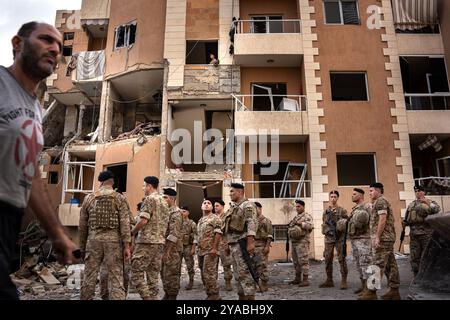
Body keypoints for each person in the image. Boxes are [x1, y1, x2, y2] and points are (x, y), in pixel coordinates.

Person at [0, 21, 78, 300]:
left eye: (59, 45)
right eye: (46, 40)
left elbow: (31, 174)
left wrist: (56, 232)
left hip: (9, 221)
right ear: (17, 43)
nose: (55, 49)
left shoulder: (34, 107)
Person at [79, 171, 132, 300]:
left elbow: (82, 225)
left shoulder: (89, 198)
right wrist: (127, 245)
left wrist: (82, 247)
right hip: (113, 243)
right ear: (112, 181)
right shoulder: (120, 198)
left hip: (93, 241)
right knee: (116, 278)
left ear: (101, 182)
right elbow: (125, 223)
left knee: (89, 276)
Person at [130, 177, 169, 300]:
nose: (143, 189)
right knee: (153, 275)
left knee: (136, 273)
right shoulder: (164, 201)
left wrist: (132, 232)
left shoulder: (149, 199)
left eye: (143, 186)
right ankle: (153, 297)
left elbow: (143, 220)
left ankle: (148, 298)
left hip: (147, 242)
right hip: (159, 242)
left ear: (149, 186)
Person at [360, 182, 401, 300]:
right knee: (390, 264)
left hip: (383, 238)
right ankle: (394, 290)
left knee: (376, 264)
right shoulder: (378, 202)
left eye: (371, 191)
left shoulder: (381, 201)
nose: (370, 193)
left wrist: (377, 237)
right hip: (387, 238)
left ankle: (371, 292)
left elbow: (382, 219)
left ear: (378, 191)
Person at [222, 183, 258, 300]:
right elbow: (229, 227)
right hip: (233, 244)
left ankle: (250, 297)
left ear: (239, 192)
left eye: (232, 191)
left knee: (245, 273)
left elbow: (251, 222)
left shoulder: (247, 205)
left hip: (242, 243)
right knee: (237, 274)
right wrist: (227, 243)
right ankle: (241, 297)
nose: (230, 194)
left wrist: (250, 242)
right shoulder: (233, 207)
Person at [404, 185, 440, 277]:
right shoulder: (412, 204)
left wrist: (427, 202)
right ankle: (416, 276)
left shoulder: (430, 202)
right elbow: (407, 218)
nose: (417, 193)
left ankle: (428, 276)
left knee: (427, 256)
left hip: (426, 234)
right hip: (414, 234)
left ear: (424, 192)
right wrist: (405, 223)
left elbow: (437, 210)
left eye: (419, 191)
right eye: (416, 191)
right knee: (415, 256)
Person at [345, 188, 372, 297]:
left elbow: (372, 221)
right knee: (359, 265)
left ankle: (370, 290)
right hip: (355, 240)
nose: (352, 196)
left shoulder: (367, 207)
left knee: (367, 264)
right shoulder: (355, 209)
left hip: (364, 240)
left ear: (360, 196)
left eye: (354, 194)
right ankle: (364, 286)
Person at [319, 190, 348, 289]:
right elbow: (324, 223)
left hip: (339, 238)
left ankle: (344, 280)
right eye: (331, 196)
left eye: (335, 196)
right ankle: (329, 280)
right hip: (328, 238)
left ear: (338, 198)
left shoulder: (342, 210)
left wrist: (340, 228)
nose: (333, 198)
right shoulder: (326, 211)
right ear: (329, 198)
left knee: (341, 258)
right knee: (327, 258)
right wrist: (327, 230)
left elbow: (346, 223)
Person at [196, 199, 223, 300]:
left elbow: (218, 233)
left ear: (212, 207)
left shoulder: (215, 218)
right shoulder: (201, 220)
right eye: (204, 203)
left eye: (209, 203)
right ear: (201, 207)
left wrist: (214, 248)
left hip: (210, 250)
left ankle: (214, 295)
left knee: (209, 273)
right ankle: (210, 294)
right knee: (204, 274)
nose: (206, 205)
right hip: (201, 251)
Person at [161, 188, 183, 300]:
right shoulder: (164, 212)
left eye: (165, 197)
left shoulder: (176, 213)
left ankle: (172, 296)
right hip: (163, 248)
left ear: (172, 199)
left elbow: (173, 234)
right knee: (164, 273)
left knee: (172, 274)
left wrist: (167, 251)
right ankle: (167, 293)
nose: (163, 199)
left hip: (172, 249)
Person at [288, 200, 314, 287]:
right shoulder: (296, 217)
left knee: (303, 261)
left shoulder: (307, 216)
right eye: (296, 206)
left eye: (299, 206)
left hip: (302, 242)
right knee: (296, 261)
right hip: (294, 242)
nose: (297, 208)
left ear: (303, 207)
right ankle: (297, 278)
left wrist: (300, 223)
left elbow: (310, 226)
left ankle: (305, 280)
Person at [254, 202, 273, 292]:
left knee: (262, 266)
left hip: (261, 246)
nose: (254, 210)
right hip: (252, 247)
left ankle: (264, 285)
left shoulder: (266, 221)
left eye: (256, 208)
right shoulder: (251, 221)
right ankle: (256, 284)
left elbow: (269, 235)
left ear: (260, 209)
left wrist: (267, 247)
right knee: (253, 266)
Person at [214, 199, 233, 291]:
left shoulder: (227, 217)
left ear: (222, 206)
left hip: (223, 243)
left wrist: (228, 244)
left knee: (226, 264)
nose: (215, 207)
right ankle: (213, 283)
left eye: (217, 205)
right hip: (214, 244)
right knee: (213, 265)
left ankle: (228, 282)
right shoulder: (213, 217)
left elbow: (229, 231)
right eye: (214, 206)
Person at [180, 206, 197, 290]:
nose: (182, 213)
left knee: (190, 265)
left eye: (184, 211)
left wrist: (193, 248)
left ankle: (191, 281)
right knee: (176, 266)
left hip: (187, 246)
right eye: (181, 211)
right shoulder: (177, 223)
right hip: (178, 247)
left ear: (188, 213)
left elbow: (195, 236)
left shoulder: (192, 223)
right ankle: (176, 282)